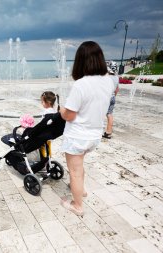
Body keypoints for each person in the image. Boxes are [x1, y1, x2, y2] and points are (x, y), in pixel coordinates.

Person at [59, 41, 114, 216]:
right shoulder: (108, 81)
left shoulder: (81, 85)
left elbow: (70, 115)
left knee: (74, 171)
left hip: (77, 136)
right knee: (80, 165)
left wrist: (60, 110)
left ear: (80, 61)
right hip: (95, 135)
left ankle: (77, 205)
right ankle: (80, 190)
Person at [103, 62, 120, 139]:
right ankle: (108, 132)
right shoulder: (116, 78)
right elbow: (117, 90)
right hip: (113, 97)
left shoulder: (106, 77)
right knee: (109, 114)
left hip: (106, 97)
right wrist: (114, 97)